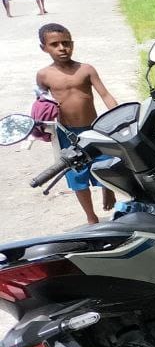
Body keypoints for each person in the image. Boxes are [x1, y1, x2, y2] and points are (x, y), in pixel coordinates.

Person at [34, 23, 119, 224]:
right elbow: (41, 104)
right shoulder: (44, 75)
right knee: (76, 174)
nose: (62, 48)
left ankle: (108, 190)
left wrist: (117, 117)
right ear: (44, 48)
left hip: (94, 128)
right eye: (55, 44)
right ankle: (91, 217)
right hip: (66, 133)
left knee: (106, 164)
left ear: (72, 44)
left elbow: (105, 94)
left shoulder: (86, 69)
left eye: (66, 43)